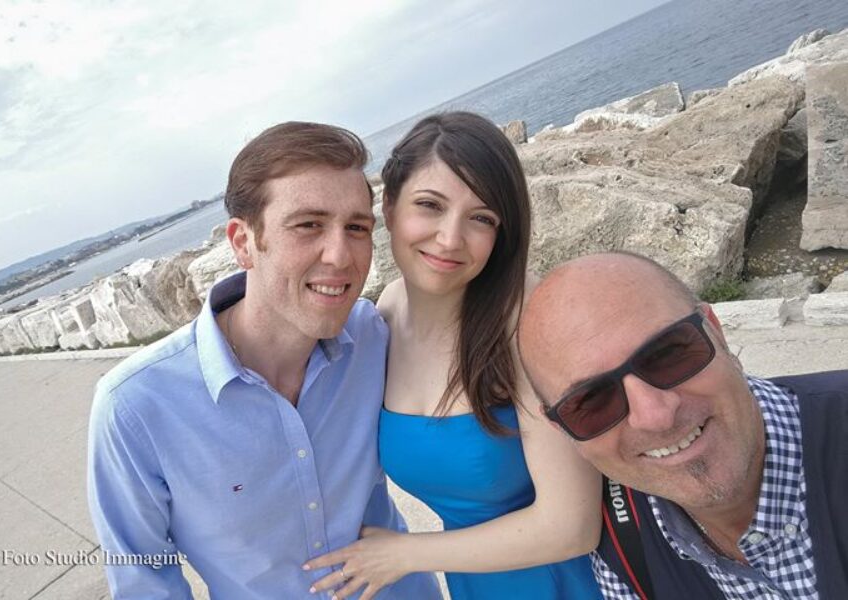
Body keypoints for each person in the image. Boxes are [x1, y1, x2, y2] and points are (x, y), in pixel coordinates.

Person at [86, 122, 441, 599]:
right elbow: (143, 581)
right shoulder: (135, 407)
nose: (340, 255)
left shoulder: (374, 336)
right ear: (242, 242)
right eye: (308, 224)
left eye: (356, 227)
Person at [304, 112, 603, 600]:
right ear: (390, 206)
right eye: (430, 205)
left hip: (572, 583)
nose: (449, 239)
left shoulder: (524, 322)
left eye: (481, 218)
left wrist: (405, 554)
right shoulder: (386, 313)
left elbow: (572, 525)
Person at [517, 251, 848, 600]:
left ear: (716, 332)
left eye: (668, 354)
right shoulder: (625, 551)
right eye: (593, 401)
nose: (656, 416)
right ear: (564, 431)